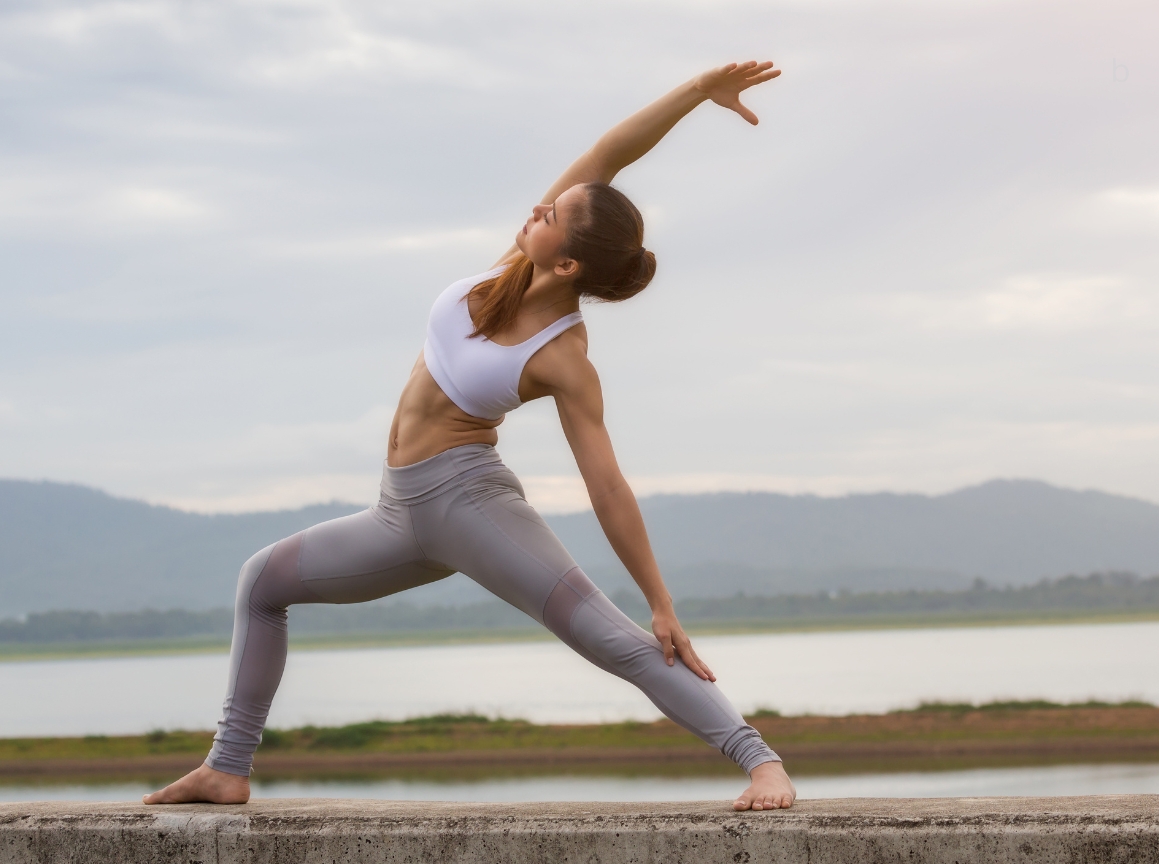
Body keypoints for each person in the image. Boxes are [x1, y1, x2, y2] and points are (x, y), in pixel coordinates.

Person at [144, 60, 795, 812]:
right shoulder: (511, 270)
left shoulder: (563, 358)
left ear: (570, 261)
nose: (538, 208)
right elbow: (611, 153)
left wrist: (662, 602)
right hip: (397, 515)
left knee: (612, 640)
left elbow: (607, 486)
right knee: (262, 582)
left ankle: (761, 762)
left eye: (551, 215)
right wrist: (693, 93)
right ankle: (227, 768)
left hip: (470, 508)